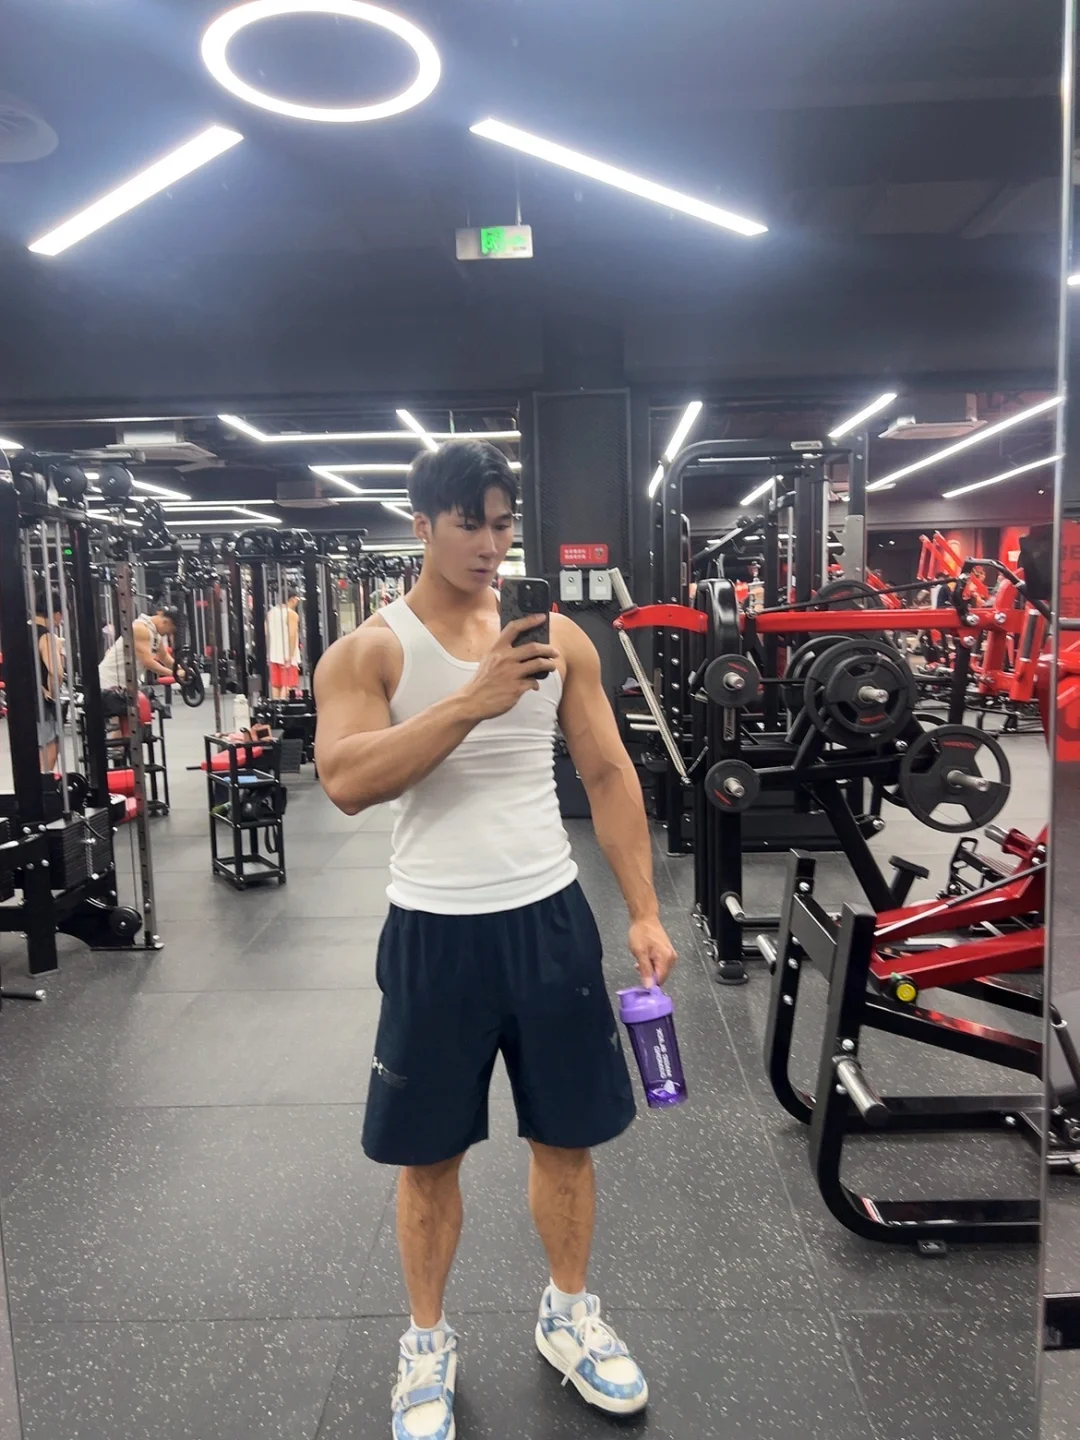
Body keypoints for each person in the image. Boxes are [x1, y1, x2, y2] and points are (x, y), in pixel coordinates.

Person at [315, 439, 677, 1440]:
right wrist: (473, 700)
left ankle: (569, 1314)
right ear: (422, 524)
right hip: (434, 930)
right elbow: (345, 780)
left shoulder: (557, 640)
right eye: (468, 521)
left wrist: (644, 908)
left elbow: (607, 773)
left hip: (549, 921)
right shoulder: (372, 651)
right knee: (427, 1155)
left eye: (502, 523)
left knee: (567, 1136)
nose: (489, 542)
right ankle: (426, 1343)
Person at [98, 605, 180, 718]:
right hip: (108, 684)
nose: (169, 634)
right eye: (171, 630)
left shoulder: (155, 633)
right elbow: (147, 662)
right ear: (166, 622)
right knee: (121, 721)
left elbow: (164, 657)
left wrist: (182, 669)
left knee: (137, 717)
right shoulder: (141, 628)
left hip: (126, 684)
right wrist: (175, 674)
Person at [33, 588, 65, 772]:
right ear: (55, 614)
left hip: (23, 700)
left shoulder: (21, 631)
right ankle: (42, 787)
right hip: (40, 702)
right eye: (61, 616)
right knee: (51, 748)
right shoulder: (46, 636)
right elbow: (56, 672)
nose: (60, 621)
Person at [266, 589, 301, 698]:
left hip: (273, 655)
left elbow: (266, 632)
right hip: (286, 656)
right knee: (287, 685)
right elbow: (292, 635)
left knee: (276, 685)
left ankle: (275, 707)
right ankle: (283, 706)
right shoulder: (291, 614)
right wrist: (290, 655)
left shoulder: (270, 613)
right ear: (292, 599)